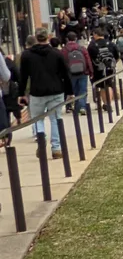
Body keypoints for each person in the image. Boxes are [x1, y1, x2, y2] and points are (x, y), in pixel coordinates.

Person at [16, 27, 73, 160]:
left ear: (36, 38)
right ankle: (56, 148)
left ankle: (41, 140)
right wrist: (70, 92)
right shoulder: (57, 53)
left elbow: (23, 77)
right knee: (55, 119)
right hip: (56, 91)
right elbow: (66, 74)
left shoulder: (27, 55)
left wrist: (21, 94)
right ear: (48, 37)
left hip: (37, 92)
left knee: (37, 119)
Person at [62, 29, 92, 113]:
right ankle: (82, 106)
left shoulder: (64, 50)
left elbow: (62, 63)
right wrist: (90, 72)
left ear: (67, 39)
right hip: (83, 72)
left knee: (73, 90)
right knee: (82, 90)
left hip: (70, 74)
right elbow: (87, 60)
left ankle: (75, 106)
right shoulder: (82, 48)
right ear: (76, 39)